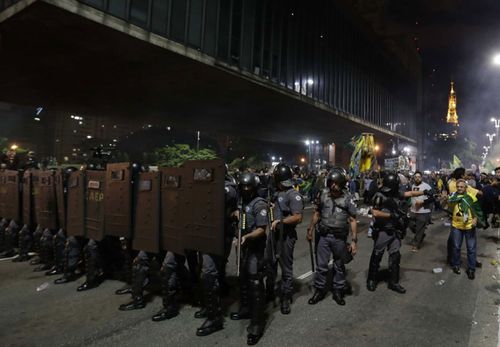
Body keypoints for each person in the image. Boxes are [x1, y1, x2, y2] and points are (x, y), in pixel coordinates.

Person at [366, 172, 430, 294]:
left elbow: (410, 193)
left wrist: (425, 192)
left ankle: (393, 282)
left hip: (395, 230)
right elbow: (374, 213)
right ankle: (371, 279)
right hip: (383, 230)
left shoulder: (396, 194)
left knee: (395, 257)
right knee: (377, 256)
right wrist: (391, 215)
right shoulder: (380, 195)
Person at [195, 168, 239, 336]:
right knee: (209, 272)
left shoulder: (228, 187)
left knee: (209, 273)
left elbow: (221, 196)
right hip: (206, 234)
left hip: (220, 236)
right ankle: (211, 307)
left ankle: (215, 318)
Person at [306, 167, 357, 306]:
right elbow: (316, 213)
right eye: (331, 182)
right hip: (323, 236)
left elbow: (352, 220)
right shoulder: (322, 195)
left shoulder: (348, 198)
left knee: (339, 265)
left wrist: (353, 241)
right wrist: (310, 229)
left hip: (339, 238)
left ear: (341, 183)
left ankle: (338, 291)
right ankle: (320, 290)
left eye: (336, 182)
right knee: (321, 265)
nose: (333, 185)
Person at [230, 172, 268, 345]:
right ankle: (245, 309)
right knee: (243, 280)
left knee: (255, 284)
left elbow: (262, 229)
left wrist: (247, 237)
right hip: (244, 247)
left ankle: (256, 325)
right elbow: (243, 219)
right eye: (243, 187)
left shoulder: (259, 204)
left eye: (248, 187)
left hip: (256, 248)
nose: (245, 190)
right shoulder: (243, 202)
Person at [265, 164, 303, 315]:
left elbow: (298, 217)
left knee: (286, 269)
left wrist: (281, 222)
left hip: (285, 237)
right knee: (270, 265)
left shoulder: (293, 194)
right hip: (274, 235)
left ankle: (285, 298)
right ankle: (269, 292)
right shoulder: (278, 192)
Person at [448, 179, 485, 280]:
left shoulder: (471, 197)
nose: (459, 188)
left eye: (462, 187)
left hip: (469, 227)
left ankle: (471, 269)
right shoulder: (453, 197)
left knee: (471, 249)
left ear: (465, 188)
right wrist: (444, 200)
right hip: (456, 226)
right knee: (456, 247)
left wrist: (475, 219)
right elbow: (449, 208)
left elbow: (477, 210)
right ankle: (456, 265)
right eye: (458, 187)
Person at [409, 171, 433, 251]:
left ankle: (416, 244)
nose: (417, 178)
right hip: (413, 211)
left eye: (419, 177)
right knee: (411, 225)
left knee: (419, 228)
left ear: (421, 177)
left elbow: (432, 198)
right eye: (415, 177)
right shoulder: (412, 186)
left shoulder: (427, 186)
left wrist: (423, 202)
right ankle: (420, 235)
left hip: (423, 212)